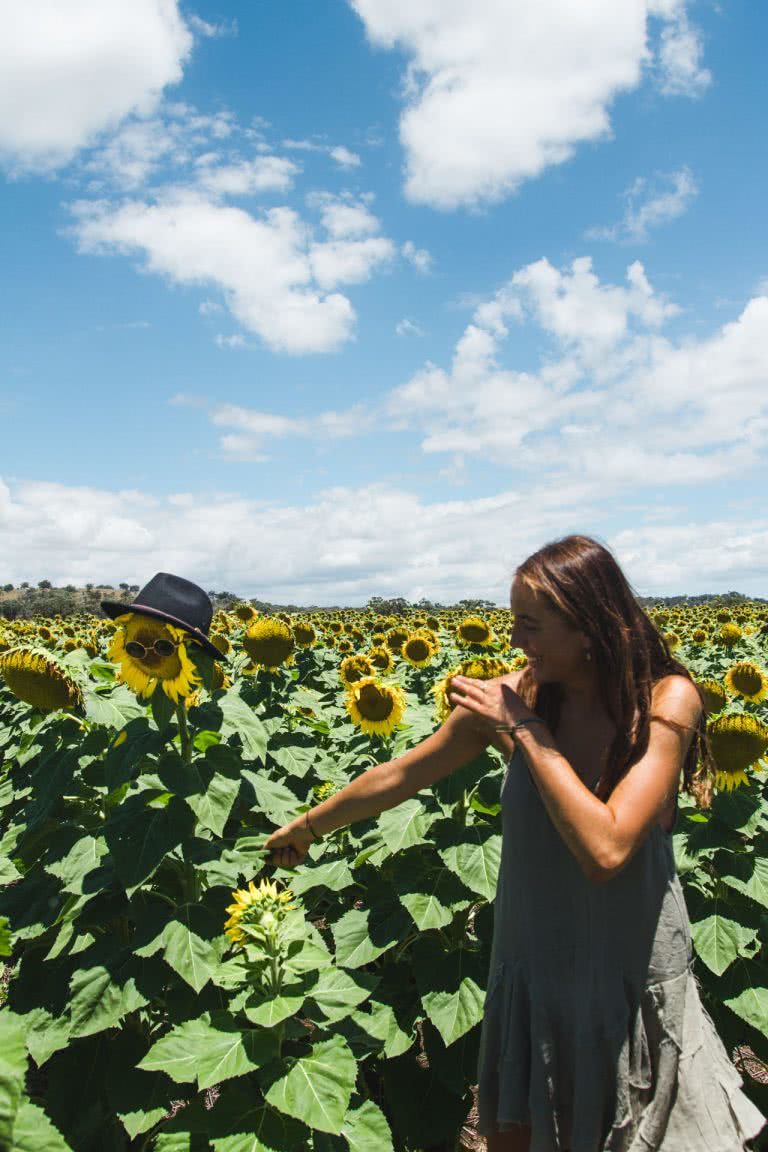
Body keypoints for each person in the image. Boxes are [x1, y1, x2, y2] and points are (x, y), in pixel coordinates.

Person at [264, 535, 766, 1152]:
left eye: (530, 625)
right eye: (512, 624)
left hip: (628, 968)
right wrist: (309, 826)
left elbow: (605, 850)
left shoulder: (665, 699)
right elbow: (401, 773)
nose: (515, 642)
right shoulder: (516, 695)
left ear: (588, 627)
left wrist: (526, 732)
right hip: (538, 966)